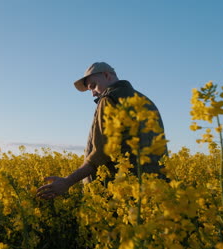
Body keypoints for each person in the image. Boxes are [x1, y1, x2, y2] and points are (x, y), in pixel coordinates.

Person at [36, 62, 167, 200]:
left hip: (122, 192)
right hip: (155, 191)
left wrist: (67, 181)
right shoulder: (146, 101)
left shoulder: (109, 99)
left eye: (93, 86)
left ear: (106, 75)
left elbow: (102, 152)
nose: (92, 93)